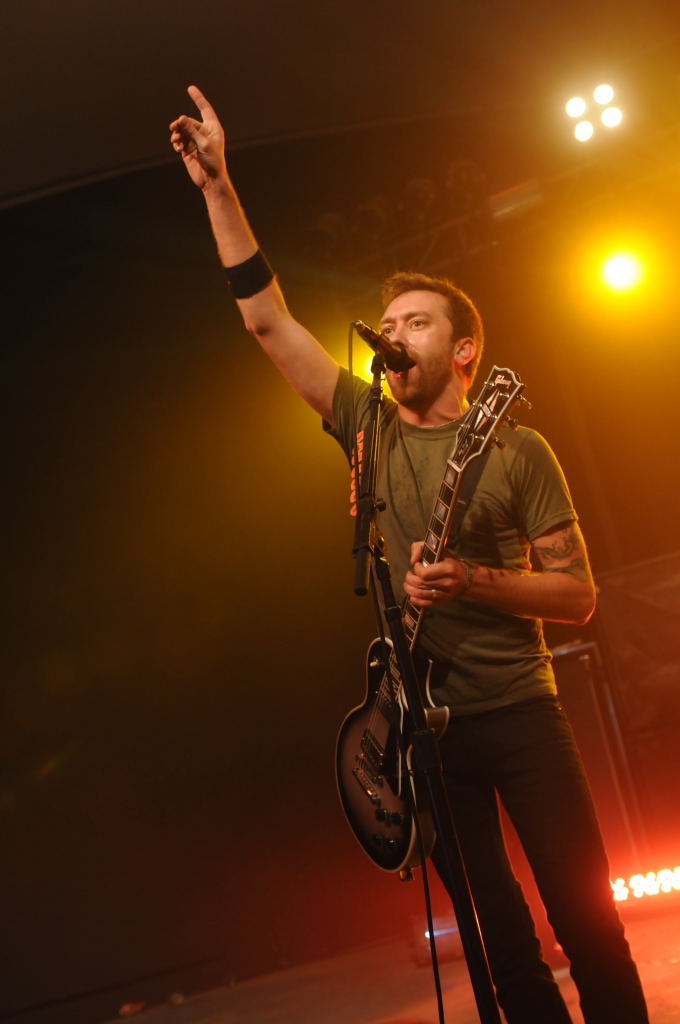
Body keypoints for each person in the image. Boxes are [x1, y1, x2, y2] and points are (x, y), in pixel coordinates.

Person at [169, 85, 649, 1024]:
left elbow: (580, 596)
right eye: (388, 325)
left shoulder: (518, 450)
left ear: (464, 351)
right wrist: (218, 185)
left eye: (416, 323)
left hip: (520, 712)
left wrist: (473, 578)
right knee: (502, 948)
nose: (393, 335)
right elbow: (267, 320)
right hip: (425, 735)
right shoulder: (365, 425)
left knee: (587, 926)